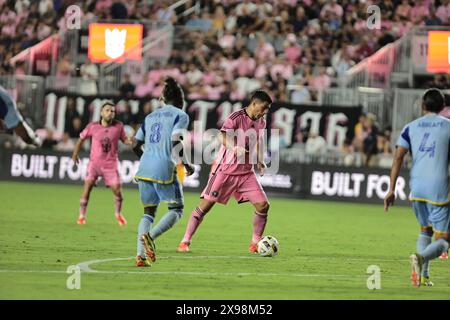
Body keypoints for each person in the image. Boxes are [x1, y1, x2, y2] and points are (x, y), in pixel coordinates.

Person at [177, 90, 272, 253]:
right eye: (263, 108)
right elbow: (221, 137)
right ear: (254, 103)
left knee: (263, 205)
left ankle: (255, 243)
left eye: (267, 110)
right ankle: (185, 241)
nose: (264, 112)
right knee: (206, 206)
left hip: (246, 173)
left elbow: (259, 140)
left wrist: (260, 160)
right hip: (224, 170)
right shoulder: (235, 117)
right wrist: (234, 147)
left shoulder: (261, 122)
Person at [384, 88, 450, 287]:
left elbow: (398, 157)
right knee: (444, 240)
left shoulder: (410, 127)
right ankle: (420, 258)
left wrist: (391, 189)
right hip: (439, 188)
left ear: (422, 106)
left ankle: (423, 276)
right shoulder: (448, 127)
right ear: (443, 107)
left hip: (417, 187)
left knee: (425, 231)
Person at [132, 77, 194, 267]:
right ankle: (151, 237)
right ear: (180, 99)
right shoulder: (180, 115)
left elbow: (135, 145)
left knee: (148, 213)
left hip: (144, 167)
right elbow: (176, 141)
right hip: (163, 166)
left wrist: (148, 157)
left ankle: (140, 257)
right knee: (176, 208)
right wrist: (185, 163)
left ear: (163, 98)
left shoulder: (150, 116)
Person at [71, 102, 132, 226]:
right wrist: (75, 154)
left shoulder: (119, 126)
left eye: (113, 111)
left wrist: (130, 140)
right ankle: (81, 216)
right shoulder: (92, 126)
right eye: (108, 110)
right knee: (87, 187)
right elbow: (81, 138)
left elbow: (124, 139)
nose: (110, 113)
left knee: (117, 190)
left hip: (111, 164)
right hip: (95, 164)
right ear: (101, 113)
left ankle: (118, 214)